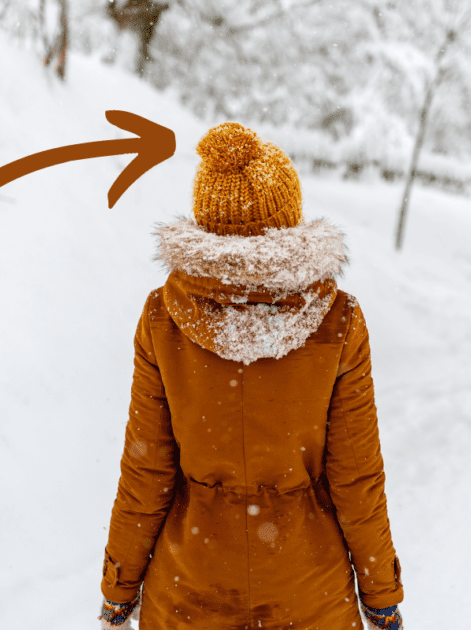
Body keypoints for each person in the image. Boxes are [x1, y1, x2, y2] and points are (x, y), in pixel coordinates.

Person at [97, 123, 404, 630]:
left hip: (189, 592)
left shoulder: (162, 318)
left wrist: (119, 586)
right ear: (289, 220)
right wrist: (380, 593)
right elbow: (356, 476)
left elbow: (146, 473)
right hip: (308, 596)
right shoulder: (338, 321)